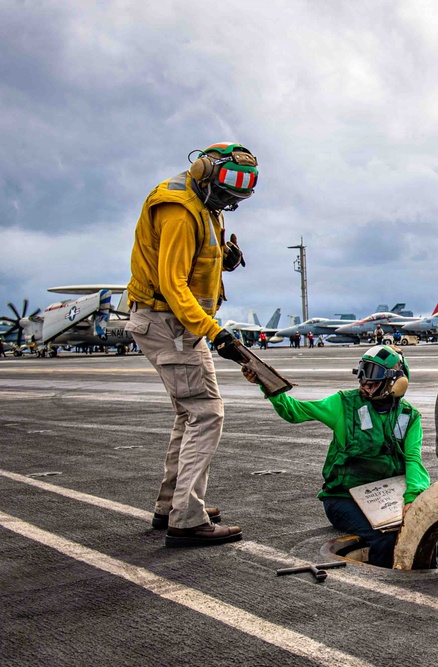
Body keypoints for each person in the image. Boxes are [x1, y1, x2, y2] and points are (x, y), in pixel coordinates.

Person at [125, 142, 258, 547]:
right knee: (207, 413)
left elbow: (198, 256)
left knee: (189, 413)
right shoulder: (181, 211)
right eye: (227, 191)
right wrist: (215, 332)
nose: (230, 200)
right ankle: (186, 519)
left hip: (176, 323)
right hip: (171, 323)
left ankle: (172, 506)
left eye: (240, 193)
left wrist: (225, 259)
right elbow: (173, 284)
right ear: (204, 171)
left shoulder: (206, 202)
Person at [243, 344, 430, 568]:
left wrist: (412, 498)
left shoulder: (410, 416)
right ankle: (383, 582)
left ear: (396, 380)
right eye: (363, 373)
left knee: (423, 530)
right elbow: (295, 411)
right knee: (385, 538)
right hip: (344, 498)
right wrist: (267, 384)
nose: (364, 382)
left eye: (373, 376)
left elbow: (413, 460)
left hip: (388, 495)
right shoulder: (344, 404)